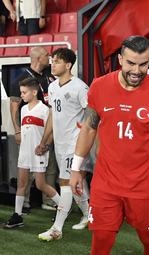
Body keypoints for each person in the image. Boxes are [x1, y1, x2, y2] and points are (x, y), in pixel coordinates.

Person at [69, 35, 149, 255]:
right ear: (120, 59)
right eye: (131, 63)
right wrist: (76, 168)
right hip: (106, 181)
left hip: (145, 183)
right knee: (101, 240)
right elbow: (89, 128)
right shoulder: (100, 86)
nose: (136, 70)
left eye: (143, 64)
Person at [35, 48, 92, 241]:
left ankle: (57, 229)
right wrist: (44, 141)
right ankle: (88, 215)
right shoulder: (52, 87)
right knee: (77, 182)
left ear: (68, 65)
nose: (53, 64)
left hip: (74, 144)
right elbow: (53, 115)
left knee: (65, 183)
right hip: (59, 144)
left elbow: (91, 118)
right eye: (52, 61)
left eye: (57, 61)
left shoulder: (81, 87)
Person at [2, 77, 60, 229]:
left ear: (34, 92)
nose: (21, 95)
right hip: (25, 153)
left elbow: (51, 132)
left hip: (38, 153)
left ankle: (63, 208)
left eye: (24, 92)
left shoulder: (45, 110)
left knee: (41, 184)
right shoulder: (23, 109)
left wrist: (46, 146)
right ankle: (17, 215)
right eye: (21, 92)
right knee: (22, 184)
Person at [10, 46, 58, 214]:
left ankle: (50, 201)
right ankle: (24, 204)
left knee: (51, 166)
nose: (49, 57)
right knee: (27, 170)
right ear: (37, 59)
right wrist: (17, 131)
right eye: (47, 55)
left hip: (49, 128)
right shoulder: (22, 79)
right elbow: (15, 106)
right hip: (30, 131)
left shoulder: (50, 76)